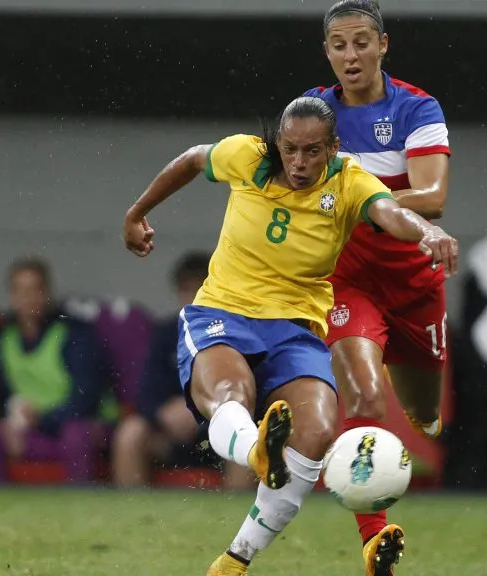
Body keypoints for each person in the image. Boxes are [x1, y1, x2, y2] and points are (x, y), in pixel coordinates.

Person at [121, 96, 458, 576]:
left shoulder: (349, 182)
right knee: (231, 394)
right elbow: (196, 157)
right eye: (291, 149)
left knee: (317, 433)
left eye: (313, 152)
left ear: (334, 148)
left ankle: (235, 559)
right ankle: (255, 450)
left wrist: (425, 231)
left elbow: (389, 213)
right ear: (277, 142)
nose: (299, 163)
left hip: (296, 329)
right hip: (223, 313)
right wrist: (137, 212)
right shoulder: (247, 156)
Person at [304, 2, 452, 572]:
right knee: (366, 395)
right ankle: (374, 537)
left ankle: (421, 412)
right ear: (328, 53)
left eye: (362, 42)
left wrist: (354, 200)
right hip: (347, 281)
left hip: (415, 283)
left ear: (383, 45)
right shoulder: (315, 112)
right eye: (339, 45)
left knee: (422, 413)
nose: (351, 55)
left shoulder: (417, 106)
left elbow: (433, 196)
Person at [112, 252, 255, 490]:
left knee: (246, 439)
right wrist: (162, 412)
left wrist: (202, 412)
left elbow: (249, 394)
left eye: (200, 288)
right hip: (171, 435)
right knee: (131, 433)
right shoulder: (166, 334)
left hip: (217, 434)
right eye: (186, 289)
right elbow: (145, 392)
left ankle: (238, 521)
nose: (194, 297)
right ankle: (132, 516)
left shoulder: (237, 333)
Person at [0, 258, 110, 484]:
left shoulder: (75, 333)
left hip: (73, 426)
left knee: (76, 435)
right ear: (11, 295)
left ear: (47, 293)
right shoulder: (2, 336)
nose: (28, 298)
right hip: (27, 429)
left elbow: (86, 398)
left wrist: (42, 419)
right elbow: (0, 393)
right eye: (21, 291)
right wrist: (11, 422)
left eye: (35, 289)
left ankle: (81, 507)